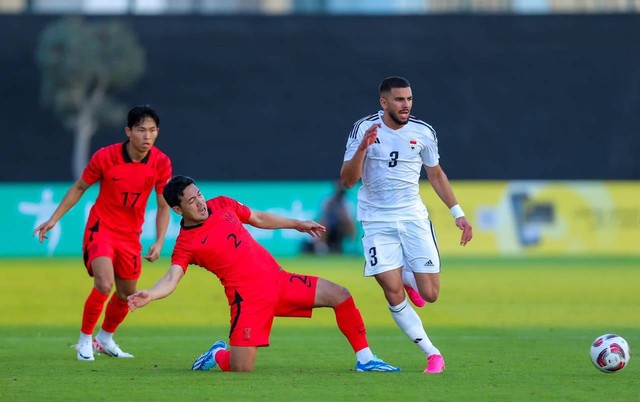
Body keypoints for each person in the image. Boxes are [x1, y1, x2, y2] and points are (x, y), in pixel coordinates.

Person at [127, 175, 399, 373]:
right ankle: (219, 354)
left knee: (340, 295)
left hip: (279, 281)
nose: (200, 202)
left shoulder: (221, 204)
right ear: (177, 210)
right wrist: (150, 294)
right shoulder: (186, 244)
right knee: (241, 368)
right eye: (191, 201)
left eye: (199, 194)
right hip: (248, 303)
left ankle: (366, 359)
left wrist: (297, 224)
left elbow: (257, 218)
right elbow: (172, 278)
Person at [340, 76, 473, 374]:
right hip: (376, 220)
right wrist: (363, 148)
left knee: (431, 294)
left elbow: (436, 174)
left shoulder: (423, 132)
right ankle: (432, 353)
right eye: (399, 99)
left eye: (409, 99)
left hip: (413, 218)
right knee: (390, 287)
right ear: (383, 103)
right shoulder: (364, 129)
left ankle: (411, 279)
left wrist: (458, 213)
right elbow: (348, 181)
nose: (406, 105)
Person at [33, 105, 172, 361]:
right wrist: (53, 218)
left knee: (126, 295)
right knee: (104, 283)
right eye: (141, 130)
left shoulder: (161, 163)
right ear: (128, 131)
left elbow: (163, 206)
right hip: (102, 229)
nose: (147, 136)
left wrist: (159, 241)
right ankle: (84, 340)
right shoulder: (105, 156)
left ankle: (105, 339)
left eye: (152, 130)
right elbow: (79, 187)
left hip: (131, 236)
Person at [302, 180, 355, 255]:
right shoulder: (328, 200)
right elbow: (323, 214)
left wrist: (341, 215)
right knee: (323, 222)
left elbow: (349, 218)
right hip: (329, 225)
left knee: (350, 223)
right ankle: (321, 248)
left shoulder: (347, 203)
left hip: (341, 226)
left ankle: (352, 246)